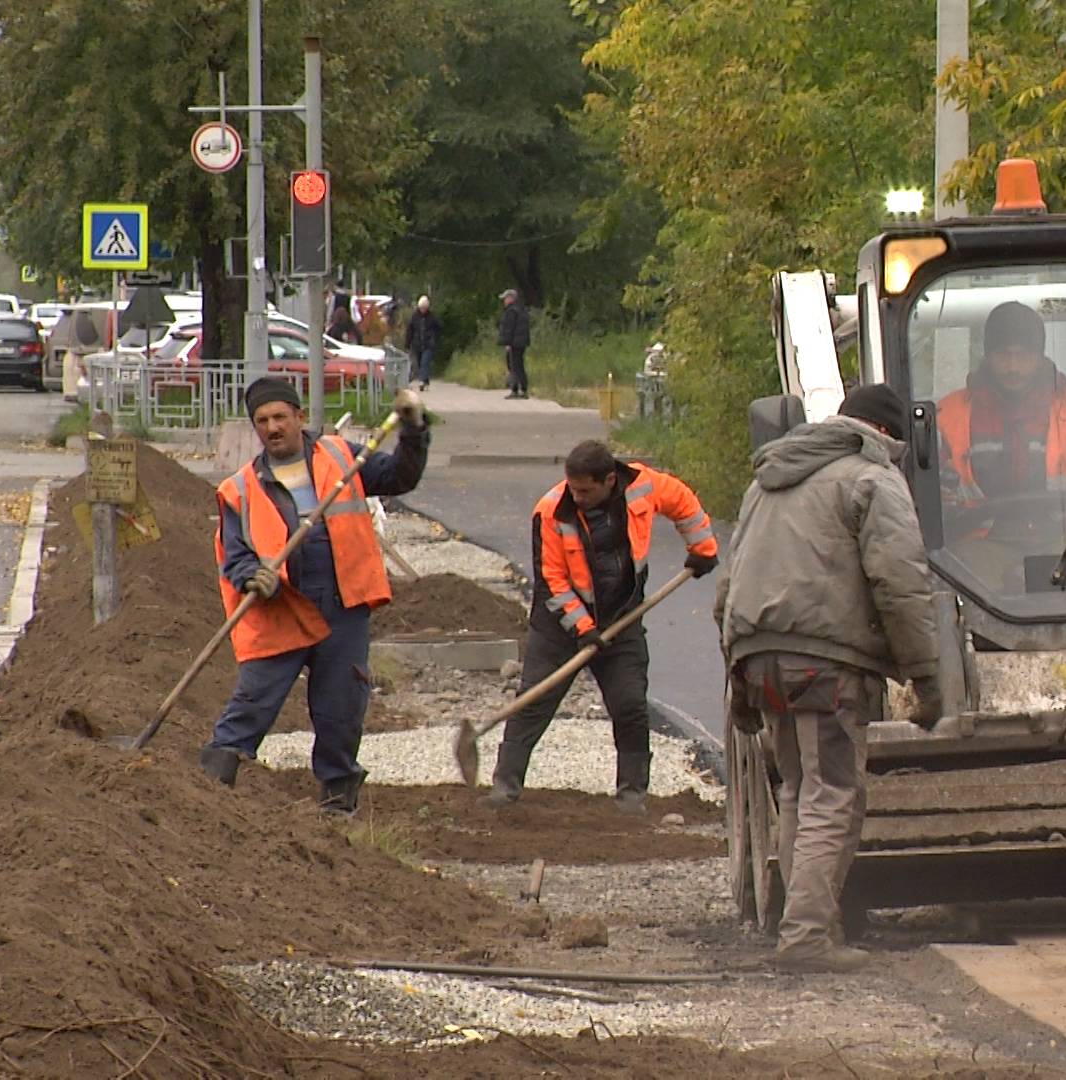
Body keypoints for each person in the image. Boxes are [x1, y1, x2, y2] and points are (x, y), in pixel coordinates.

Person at [714, 384, 945, 973]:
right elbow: (901, 582)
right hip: (822, 662)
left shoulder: (769, 480)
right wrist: (924, 676)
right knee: (831, 793)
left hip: (760, 656)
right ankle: (808, 938)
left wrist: (737, 673)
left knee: (797, 789)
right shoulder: (872, 478)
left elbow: (729, 586)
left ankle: (810, 924)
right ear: (891, 435)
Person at [198, 378, 431, 814]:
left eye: (280, 417)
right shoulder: (240, 489)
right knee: (252, 703)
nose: (273, 427)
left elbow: (401, 476)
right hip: (281, 605)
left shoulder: (343, 457)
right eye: (263, 421)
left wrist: (414, 431)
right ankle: (207, 799)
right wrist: (254, 578)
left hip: (344, 604)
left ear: (299, 418)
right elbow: (235, 554)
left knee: (340, 710)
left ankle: (337, 809)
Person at [485, 440, 718, 813]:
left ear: (610, 480)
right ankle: (504, 787)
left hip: (620, 617)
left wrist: (702, 547)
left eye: (585, 490)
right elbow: (552, 582)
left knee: (630, 705)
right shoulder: (551, 512)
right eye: (572, 488)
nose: (576, 496)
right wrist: (581, 627)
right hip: (558, 627)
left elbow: (682, 502)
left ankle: (631, 797)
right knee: (534, 702)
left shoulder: (642, 485)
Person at [935, 301, 1066, 505]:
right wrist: (938, 496)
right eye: (1003, 354)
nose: (1013, 367)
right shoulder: (946, 415)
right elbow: (924, 484)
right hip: (973, 535)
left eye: (1023, 355)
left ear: (1040, 357)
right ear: (987, 356)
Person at [497, 287, 531, 400]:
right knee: (519, 365)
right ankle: (523, 389)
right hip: (521, 342)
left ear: (511, 298)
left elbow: (509, 328)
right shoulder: (521, 309)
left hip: (515, 343)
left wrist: (508, 343)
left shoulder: (511, 311)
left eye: (505, 298)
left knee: (514, 366)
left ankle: (515, 390)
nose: (504, 301)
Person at [405, 295, 440, 391]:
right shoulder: (414, 317)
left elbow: (437, 329)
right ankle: (426, 381)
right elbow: (410, 330)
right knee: (420, 363)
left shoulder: (432, 317)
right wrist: (407, 343)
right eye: (421, 308)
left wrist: (433, 339)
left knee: (425, 362)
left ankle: (421, 381)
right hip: (417, 344)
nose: (423, 310)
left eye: (424, 308)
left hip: (428, 345)